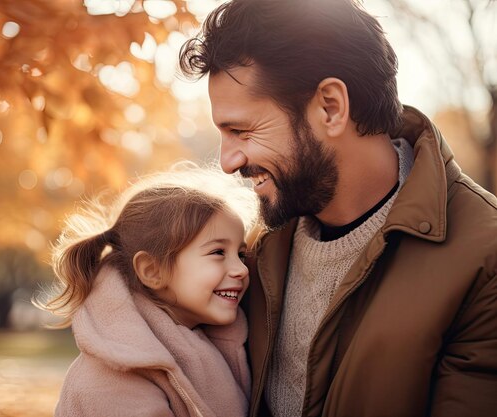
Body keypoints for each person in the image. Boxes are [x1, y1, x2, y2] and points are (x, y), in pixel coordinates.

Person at [179, 0, 497, 416]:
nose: (227, 162)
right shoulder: (251, 246)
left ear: (330, 106)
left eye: (241, 131)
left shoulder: (484, 258)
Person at [38, 165, 259, 416]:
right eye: (218, 252)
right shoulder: (112, 379)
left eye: (241, 254)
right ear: (152, 271)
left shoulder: (207, 347)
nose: (241, 269)